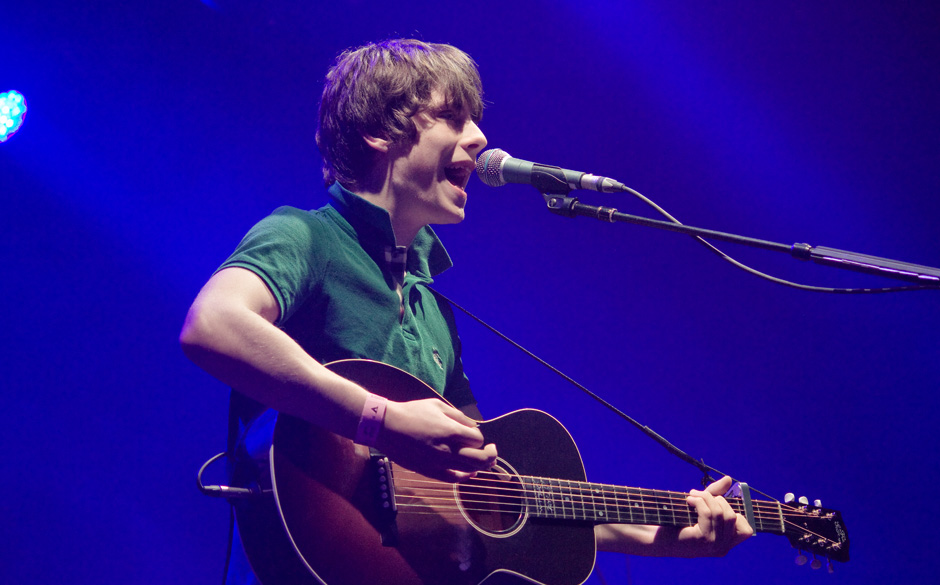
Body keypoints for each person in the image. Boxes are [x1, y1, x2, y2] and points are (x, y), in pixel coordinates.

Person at [180, 38, 752, 584]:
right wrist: (380, 420)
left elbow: (491, 492)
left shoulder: (429, 304)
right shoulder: (304, 235)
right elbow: (213, 325)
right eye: (453, 117)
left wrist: (661, 537)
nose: (479, 138)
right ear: (380, 131)